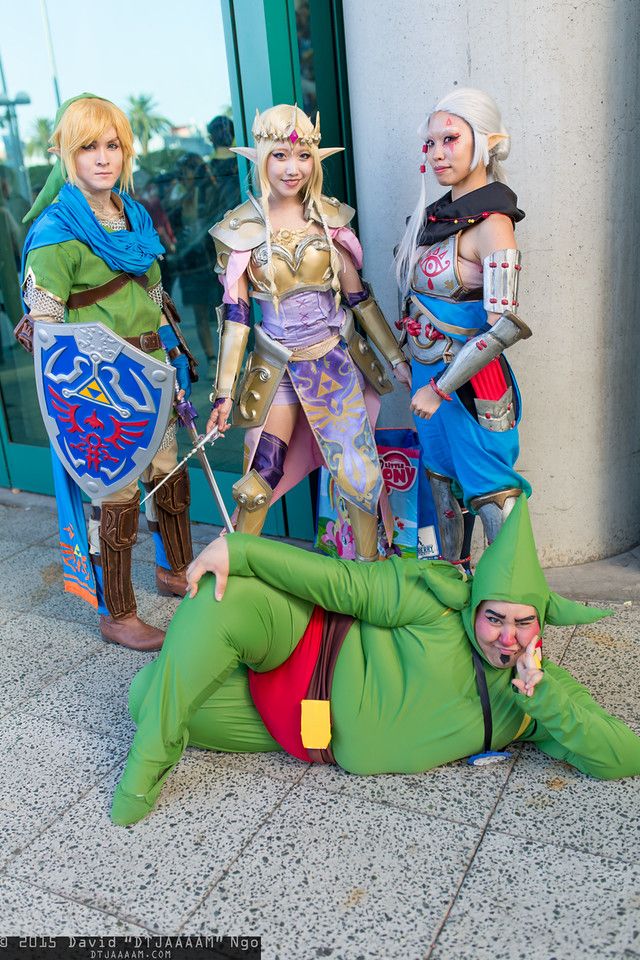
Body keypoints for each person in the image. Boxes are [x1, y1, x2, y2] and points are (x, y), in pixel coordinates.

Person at [110, 495, 640, 826]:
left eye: (523, 623)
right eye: (494, 617)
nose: (507, 637)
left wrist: (540, 696)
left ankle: (189, 681)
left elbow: (622, 757)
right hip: (301, 643)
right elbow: (340, 582)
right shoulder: (437, 596)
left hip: (297, 729)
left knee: (146, 698)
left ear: (542, 626)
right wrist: (241, 552)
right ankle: (144, 772)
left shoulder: (533, 700)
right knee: (219, 600)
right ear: (475, 604)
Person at [19, 94, 195, 651]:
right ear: (66, 155)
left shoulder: (134, 218)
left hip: (151, 370)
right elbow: (46, 332)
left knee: (168, 474)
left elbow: (156, 295)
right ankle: (117, 613)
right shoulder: (55, 233)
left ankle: (175, 571)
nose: (103, 158)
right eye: (88, 146)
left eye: (112, 145)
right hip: (100, 385)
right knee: (115, 495)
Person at [207, 104, 411, 561]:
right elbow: (237, 318)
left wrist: (396, 358)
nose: (292, 168)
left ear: (315, 160)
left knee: (358, 474)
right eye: (280, 155)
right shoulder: (239, 229)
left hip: (332, 363)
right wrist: (223, 395)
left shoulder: (330, 220)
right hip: (275, 367)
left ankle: (368, 572)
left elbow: (360, 299)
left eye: (302, 156)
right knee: (261, 473)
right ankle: (237, 567)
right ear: (261, 158)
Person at [394, 88, 532, 565]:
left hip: (469, 384)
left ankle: (513, 611)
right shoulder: (430, 220)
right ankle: (453, 596)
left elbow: (503, 328)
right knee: (440, 484)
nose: (437, 154)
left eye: (449, 139)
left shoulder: (494, 224)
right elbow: (413, 302)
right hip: (424, 374)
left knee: (491, 491)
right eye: (430, 143)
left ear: (486, 141)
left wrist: (440, 388)